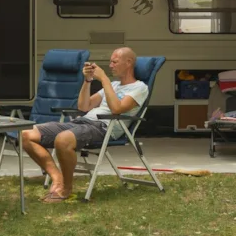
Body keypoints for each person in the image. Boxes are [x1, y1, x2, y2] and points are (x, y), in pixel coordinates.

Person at [20, 47, 149, 203]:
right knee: (26, 134)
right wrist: (88, 81)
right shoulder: (113, 85)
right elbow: (83, 106)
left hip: (103, 127)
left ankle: (66, 188)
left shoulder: (139, 88)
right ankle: (57, 178)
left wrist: (104, 80)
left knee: (63, 140)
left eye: (114, 62)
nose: (110, 65)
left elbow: (117, 109)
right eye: (110, 62)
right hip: (82, 122)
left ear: (128, 63)